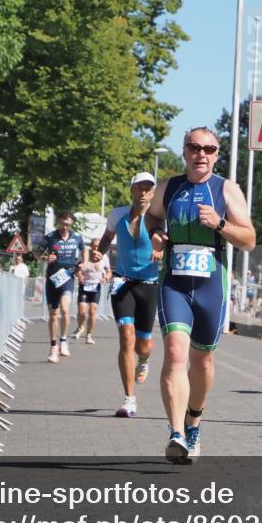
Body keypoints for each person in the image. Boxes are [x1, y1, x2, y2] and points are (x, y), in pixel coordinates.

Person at [145, 127, 256, 463]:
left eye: (209, 149)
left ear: (217, 154)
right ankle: (176, 433)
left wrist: (220, 224)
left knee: (202, 361)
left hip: (211, 283)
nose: (201, 154)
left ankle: (194, 421)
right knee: (175, 353)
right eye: (194, 147)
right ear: (185, 151)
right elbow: (150, 216)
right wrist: (156, 235)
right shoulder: (170, 187)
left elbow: (249, 239)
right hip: (174, 282)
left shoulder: (227, 190)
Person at [92, 172, 162, 419]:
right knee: (126, 336)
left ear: (153, 193)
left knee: (144, 345)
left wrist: (160, 249)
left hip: (149, 284)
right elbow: (107, 238)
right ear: (132, 190)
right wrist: (100, 254)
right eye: (139, 187)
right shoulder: (116, 214)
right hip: (121, 282)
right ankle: (129, 399)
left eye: (148, 188)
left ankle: (143, 361)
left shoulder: (158, 217)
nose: (143, 192)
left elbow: (163, 238)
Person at [34, 211, 87, 364]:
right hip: (52, 278)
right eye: (63, 223)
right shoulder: (50, 237)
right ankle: (53, 346)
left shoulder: (77, 237)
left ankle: (63, 340)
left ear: (71, 224)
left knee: (65, 310)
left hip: (68, 277)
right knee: (53, 314)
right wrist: (44, 258)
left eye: (68, 224)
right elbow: (36, 252)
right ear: (59, 222)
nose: (65, 226)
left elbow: (85, 250)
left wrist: (83, 263)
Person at [73, 249, 109, 344]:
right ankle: (80, 327)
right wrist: (79, 275)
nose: (96, 250)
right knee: (81, 311)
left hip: (96, 287)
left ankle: (89, 335)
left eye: (98, 247)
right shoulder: (84, 256)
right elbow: (76, 269)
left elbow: (109, 272)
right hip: (84, 286)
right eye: (94, 247)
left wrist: (106, 278)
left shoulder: (104, 257)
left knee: (92, 311)